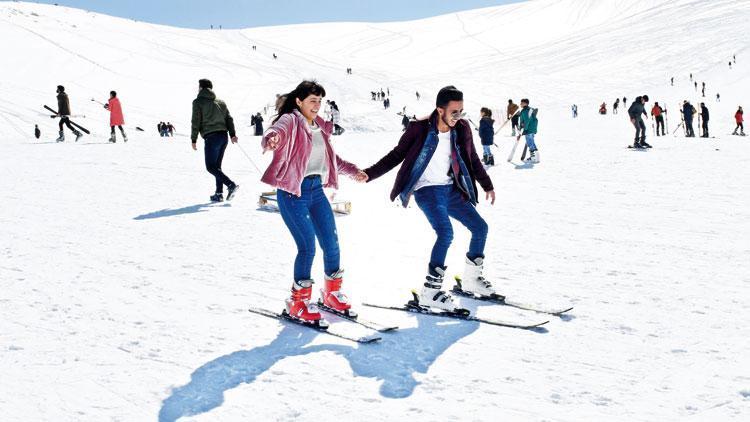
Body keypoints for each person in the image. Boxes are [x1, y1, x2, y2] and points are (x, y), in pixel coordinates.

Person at [362, 85, 496, 311]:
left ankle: (472, 279)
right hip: (426, 190)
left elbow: (472, 158)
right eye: (454, 112)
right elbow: (397, 155)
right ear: (440, 110)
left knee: (480, 228)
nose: (458, 116)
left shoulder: (462, 128)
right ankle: (430, 292)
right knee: (445, 233)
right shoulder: (419, 128)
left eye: (461, 111)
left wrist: (487, 185)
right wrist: (369, 174)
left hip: (452, 189)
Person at [261, 80, 367, 325]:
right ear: (299, 101)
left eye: (320, 101)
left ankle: (330, 294)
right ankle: (297, 302)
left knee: (332, 244)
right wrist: (272, 139)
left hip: (317, 192)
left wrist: (353, 171)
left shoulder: (319, 126)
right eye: (312, 101)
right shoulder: (291, 120)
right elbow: (275, 132)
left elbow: (331, 159)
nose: (317, 106)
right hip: (292, 194)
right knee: (307, 247)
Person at [190, 78, 239, 202]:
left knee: (210, 167)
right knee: (217, 167)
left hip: (212, 137)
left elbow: (195, 121)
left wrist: (193, 138)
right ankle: (219, 193)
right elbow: (229, 119)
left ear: (201, 88)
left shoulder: (198, 102)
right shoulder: (221, 102)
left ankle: (231, 185)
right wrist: (232, 134)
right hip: (224, 137)